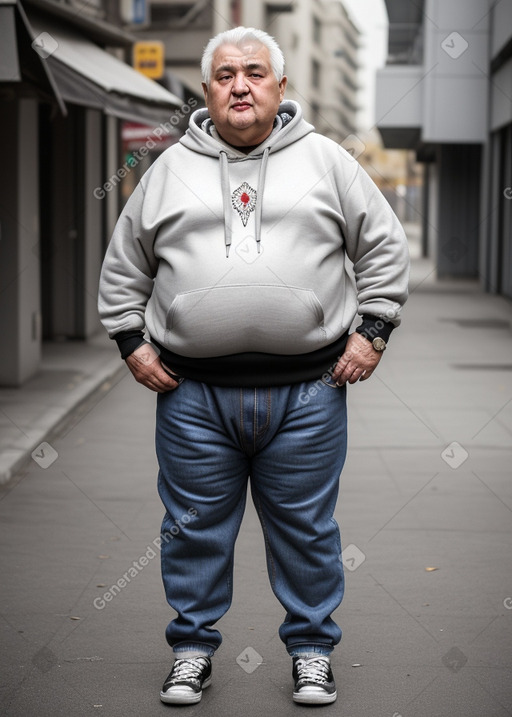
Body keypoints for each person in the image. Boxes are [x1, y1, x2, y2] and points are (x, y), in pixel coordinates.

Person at [98, 26, 409, 707]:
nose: (240, 85)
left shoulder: (328, 161)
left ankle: (311, 652)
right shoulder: (167, 169)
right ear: (207, 90)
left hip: (309, 393)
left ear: (279, 87)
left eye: (255, 72)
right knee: (190, 527)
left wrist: (373, 331)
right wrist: (132, 343)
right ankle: (190, 650)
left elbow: (384, 249)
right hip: (192, 395)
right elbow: (123, 269)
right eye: (226, 74)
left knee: (307, 530)